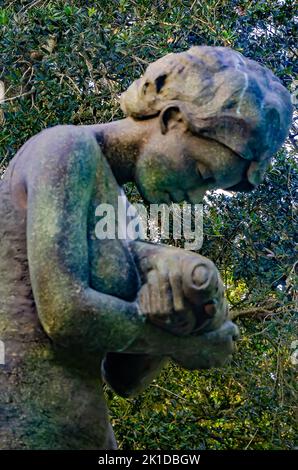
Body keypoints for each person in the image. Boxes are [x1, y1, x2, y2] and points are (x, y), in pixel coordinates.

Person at [0, 46, 292, 449]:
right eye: (202, 172)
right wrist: (188, 346)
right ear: (173, 120)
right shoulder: (66, 151)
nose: (196, 197)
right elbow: (64, 314)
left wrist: (180, 313)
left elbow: (123, 379)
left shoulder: (125, 218)